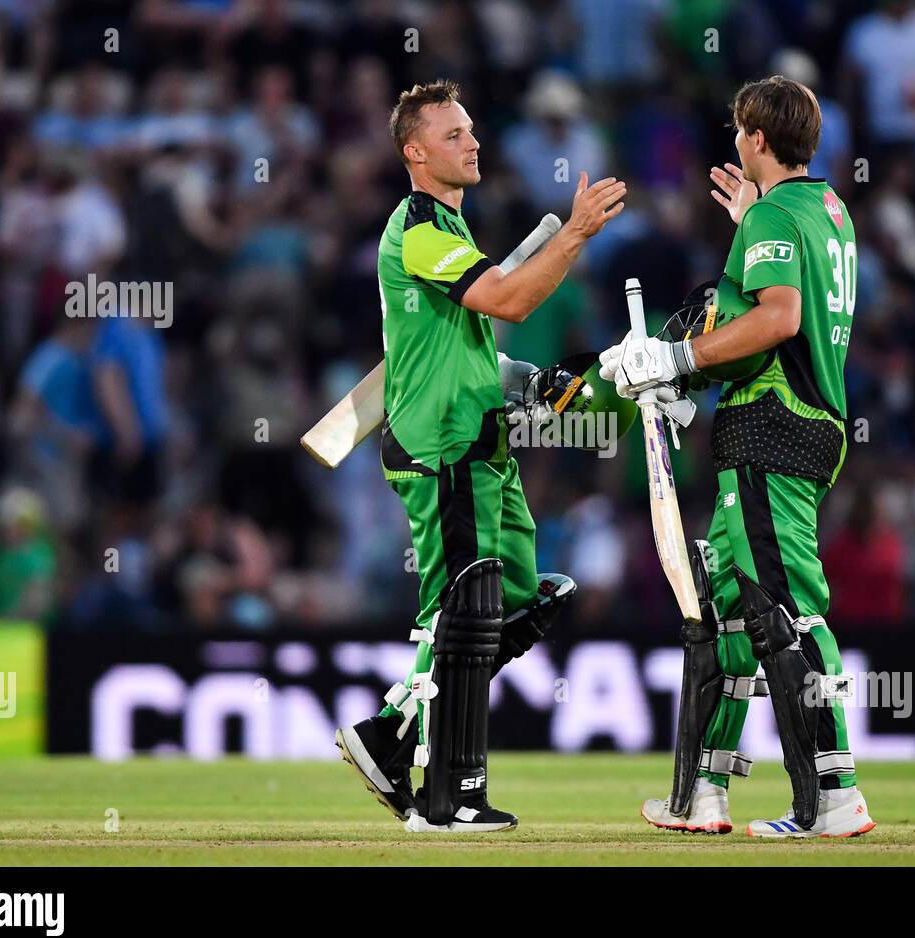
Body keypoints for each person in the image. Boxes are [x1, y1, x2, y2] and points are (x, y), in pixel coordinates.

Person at [334, 80, 625, 832]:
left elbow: (473, 353)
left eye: (471, 130)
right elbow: (510, 302)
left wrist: (533, 382)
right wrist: (575, 235)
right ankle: (448, 797)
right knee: (465, 613)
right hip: (442, 448)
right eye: (454, 133)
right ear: (415, 151)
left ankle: (392, 733)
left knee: (529, 601)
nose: (473, 142)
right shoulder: (419, 230)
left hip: (485, 443)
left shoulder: (455, 236)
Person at [601, 75, 874, 838]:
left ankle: (832, 795)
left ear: (755, 139)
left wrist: (677, 358)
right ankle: (705, 796)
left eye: (738, 133)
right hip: (805, 423)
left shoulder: (775, 218)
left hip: (771, 426)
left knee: (786, 608)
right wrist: (752, 224)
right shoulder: (827, 211)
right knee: (724, 610)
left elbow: (779, 318)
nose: (734, 143)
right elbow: (787, 299)